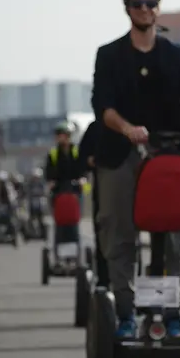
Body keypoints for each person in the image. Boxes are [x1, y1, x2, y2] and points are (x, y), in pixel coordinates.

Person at [91, 0, 180, 340]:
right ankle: (125, 313)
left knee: (173, 232)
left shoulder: (173, 53)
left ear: (158, 8)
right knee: (120, 232)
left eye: (150, 3)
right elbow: (103, 106)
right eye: (137, 3)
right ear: (127, 9)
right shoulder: (110, 54)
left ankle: (172, 314)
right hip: (121, 153)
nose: (144, 9)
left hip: (169, 151)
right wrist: (128, 129)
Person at [44, 121, 87, 253]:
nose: (61, 138)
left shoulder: (77, 151)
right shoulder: (53, 154)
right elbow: (48, 172)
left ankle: (77, 252)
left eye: (63, 135)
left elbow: (82, 169)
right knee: (60, 222)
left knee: (73, 221)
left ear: (69, 136)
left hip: (74, 191)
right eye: (59, 135)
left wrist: (82, 179)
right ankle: (58, 254)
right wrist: (51, 182)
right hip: (58, 191)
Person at [79, 120, 110, 288]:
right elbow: (82, 158)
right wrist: (89, 161)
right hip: (102, 185)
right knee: (102, 229)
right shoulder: (95, 128)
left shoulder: (137, 121)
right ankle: (104, 280)